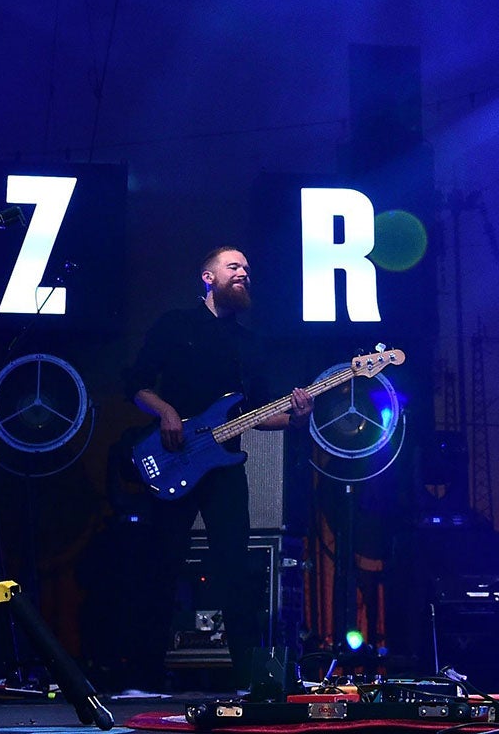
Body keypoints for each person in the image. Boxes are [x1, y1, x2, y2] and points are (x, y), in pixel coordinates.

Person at [125, 246, 311, 688]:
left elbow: (262, 414)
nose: (243, 273)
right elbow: (135, 386)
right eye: (233, 267)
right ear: (208, 278)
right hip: (173, 456)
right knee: (160, 564)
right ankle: (143, 676)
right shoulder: (175, 325)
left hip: (224, 468)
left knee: (235, 567)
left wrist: (299, 415)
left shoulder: (249, 344)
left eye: (247, 268)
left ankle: (247, 678)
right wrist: (167, 411)